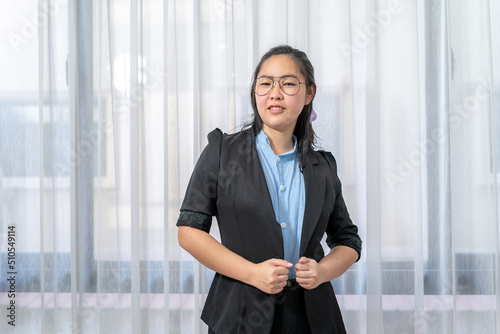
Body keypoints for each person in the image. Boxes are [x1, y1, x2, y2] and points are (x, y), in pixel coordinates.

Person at [177, 45, 362, 334]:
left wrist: (323, 271)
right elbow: (189, 231)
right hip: (240, 313)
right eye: (265, 83)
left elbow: (349, 240)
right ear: (255, 92)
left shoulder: (323, 167)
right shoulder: (222, 153)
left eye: (288, 83)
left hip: (312, 317)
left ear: (309, 93)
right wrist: (252, 273)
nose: (275, 93)